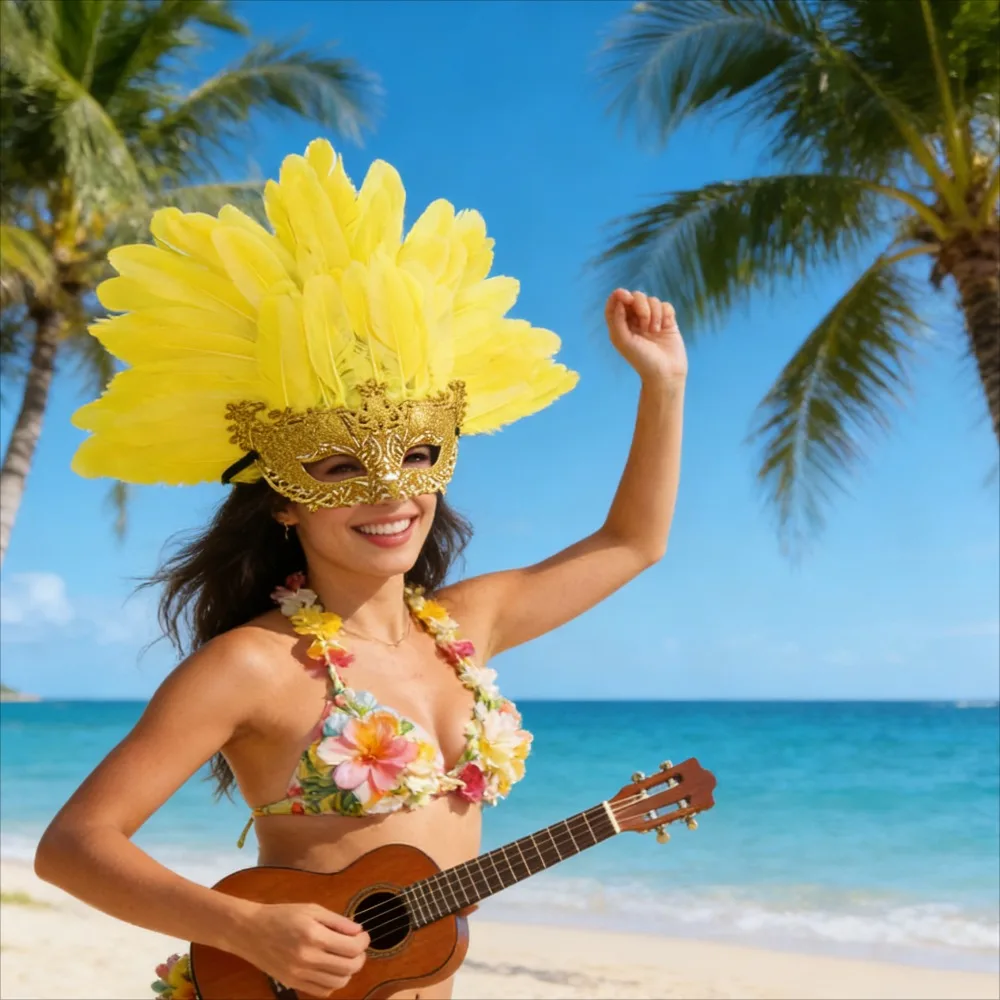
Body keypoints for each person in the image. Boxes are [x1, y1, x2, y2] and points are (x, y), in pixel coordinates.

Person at [34, 139, 687, 1000]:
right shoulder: (252, 666)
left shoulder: (466, 626)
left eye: (416, 455)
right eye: (339, 469)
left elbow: (632, 543)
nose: (389, 492)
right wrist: (245, 927)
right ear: (285, 502)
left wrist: (664, 386)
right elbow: (74, 846)